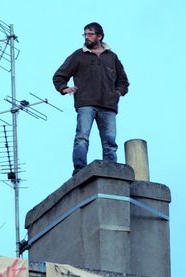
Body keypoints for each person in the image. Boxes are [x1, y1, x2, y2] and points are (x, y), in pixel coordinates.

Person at [53, 22, 129, 176]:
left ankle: (111, 173)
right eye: (85, 34)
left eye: (90, 34)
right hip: (86, 103)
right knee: (82, 138)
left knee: (110, 142)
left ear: (99, 36)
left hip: (108, 105)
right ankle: (79, 171)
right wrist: (64, 88)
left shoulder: (112, 57)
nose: (86, 37)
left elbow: (123, 81)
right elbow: (59, 76)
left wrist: (117, 93)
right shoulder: (78, 55)